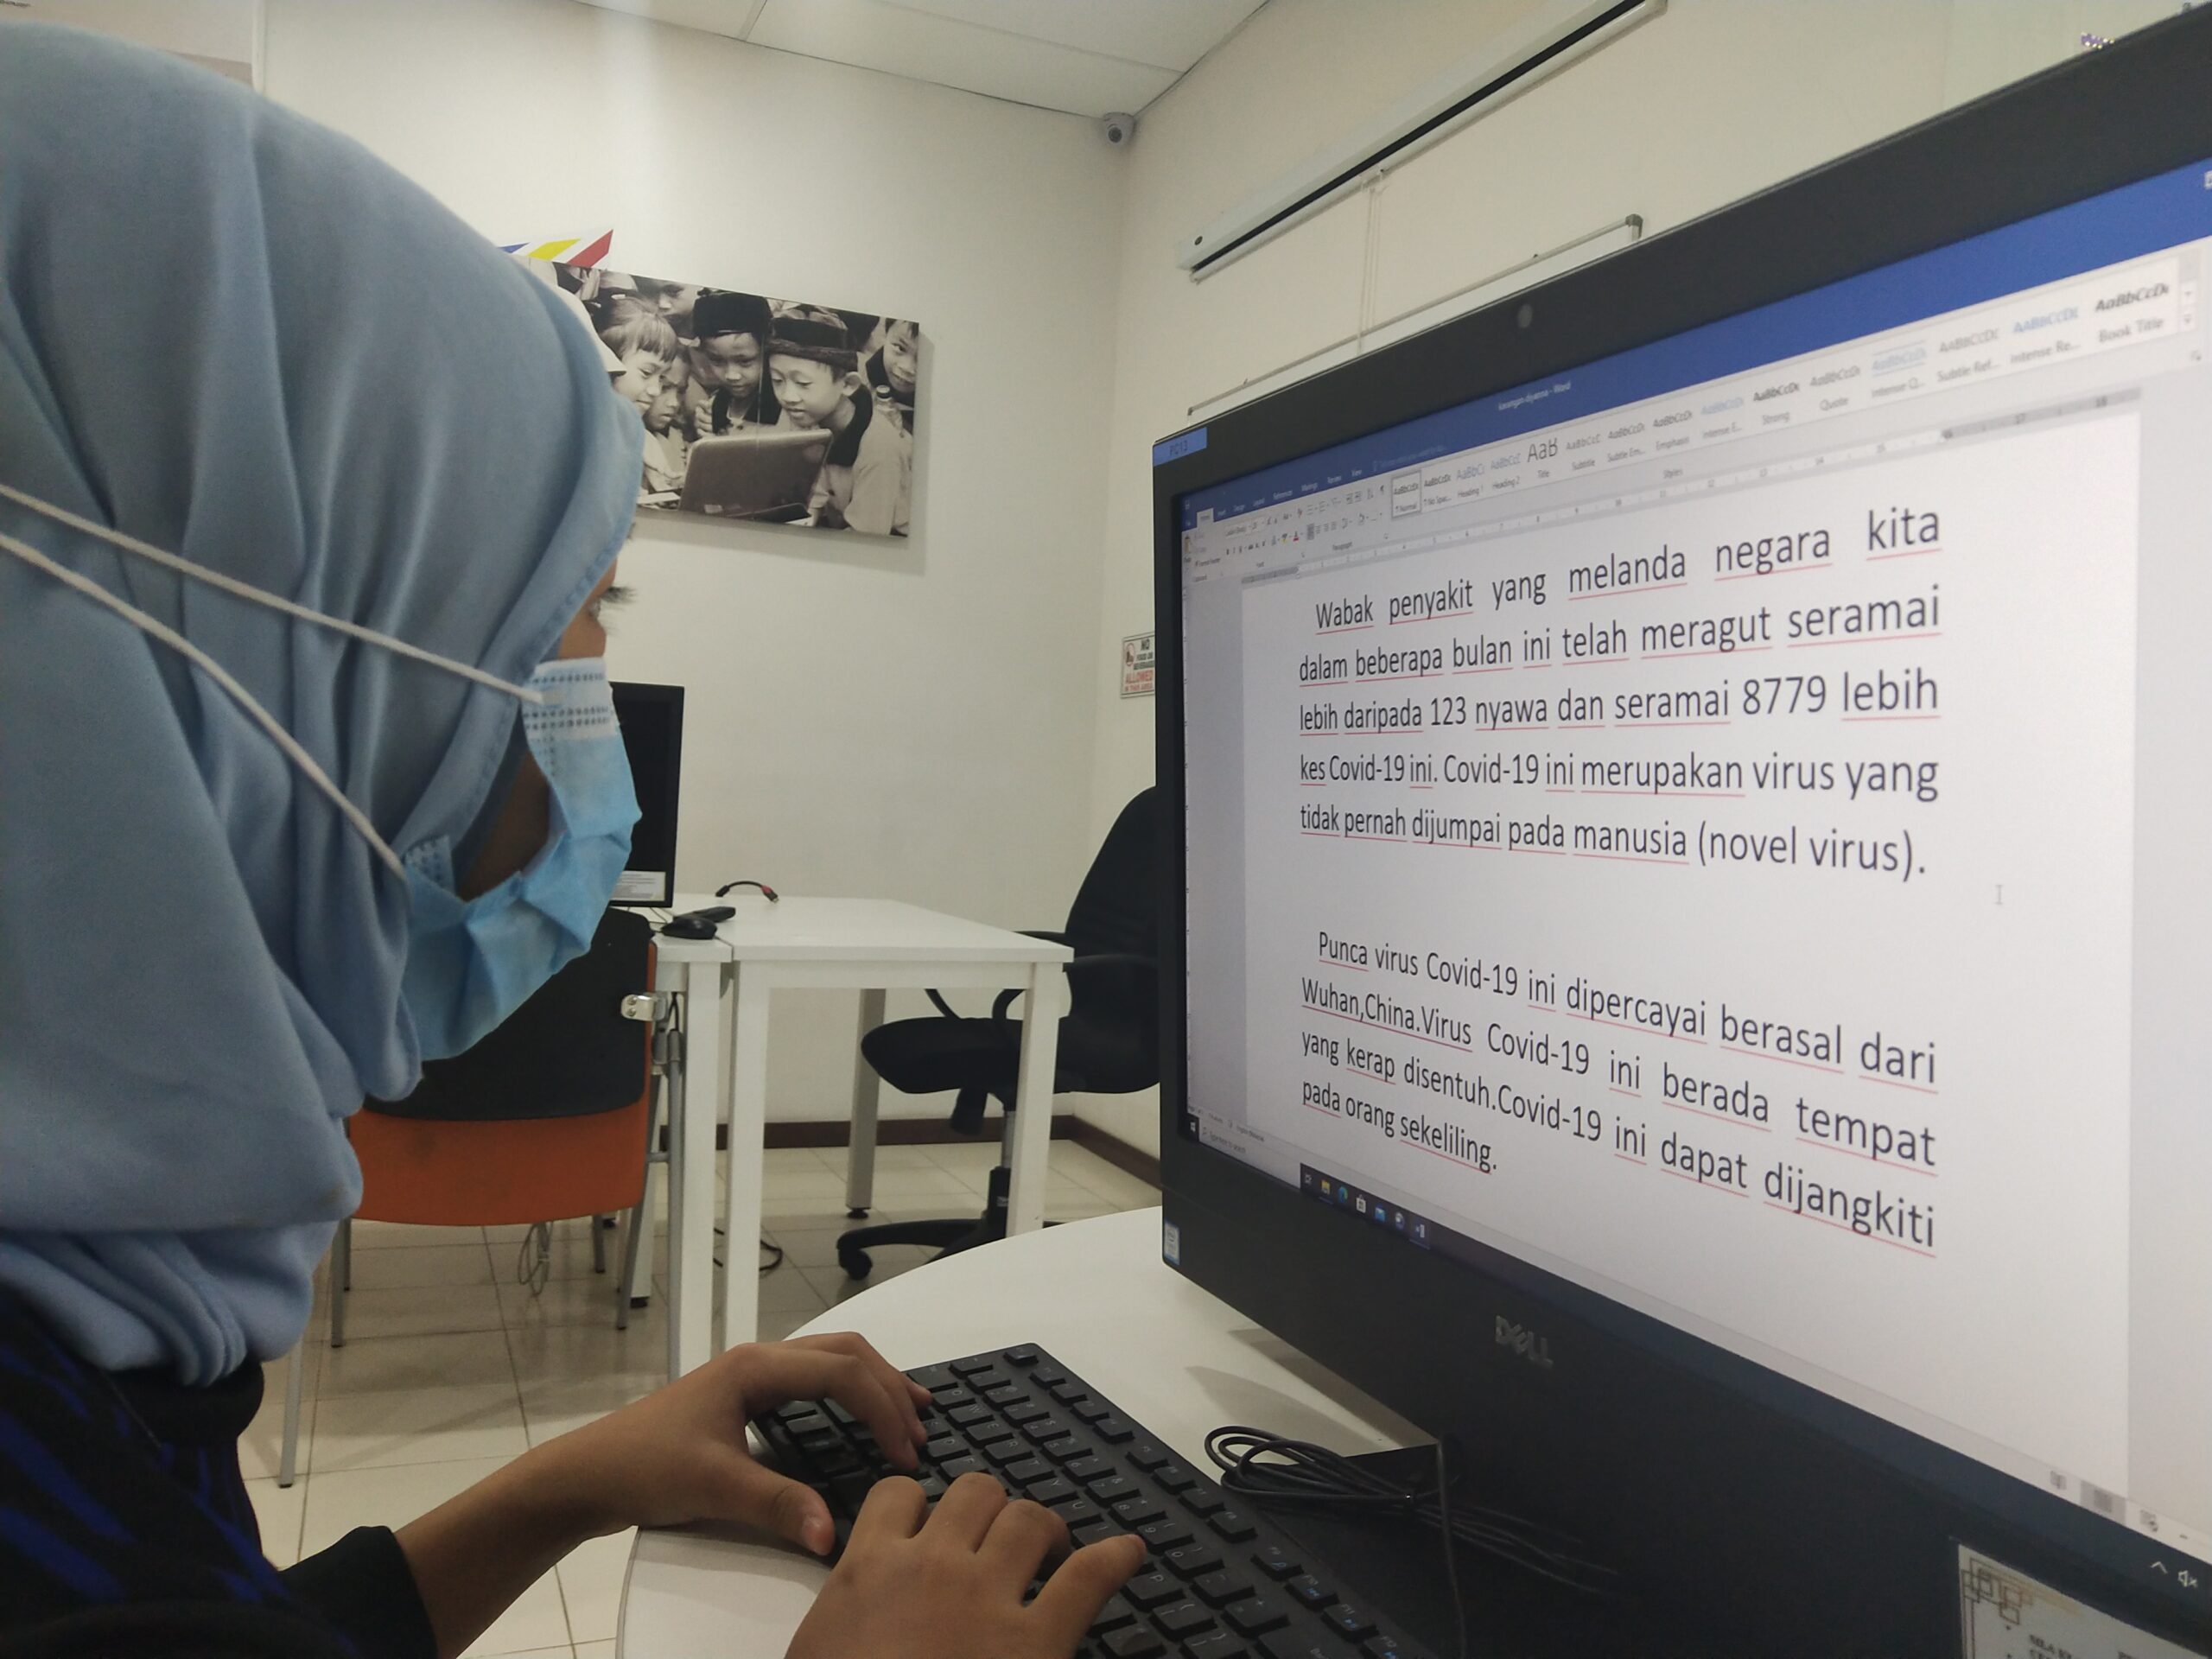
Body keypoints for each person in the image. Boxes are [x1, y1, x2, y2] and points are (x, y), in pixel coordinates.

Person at [0, 23, 1136, 1658]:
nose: (581, 690)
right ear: (270, 664)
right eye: (559, 615)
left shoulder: (75, 1365)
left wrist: (563, 1485)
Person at [766, 307, 913, 536]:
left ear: (848, 384)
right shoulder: (803, 413)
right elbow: (807, 495)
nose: (787, 396)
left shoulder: (880, 448)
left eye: (803, 384)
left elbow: (867, 538)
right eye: (777, 380)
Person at [683, 288, 776, 441]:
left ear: (766, 349)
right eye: (717, 361)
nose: (731, 375)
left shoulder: (788, 408)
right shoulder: (714, 407)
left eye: (744, 361)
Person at [868, 315, 921, 438]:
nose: (907, 368)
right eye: (900, 348)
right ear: (885, 337)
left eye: (924, 358)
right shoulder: (867, 374)